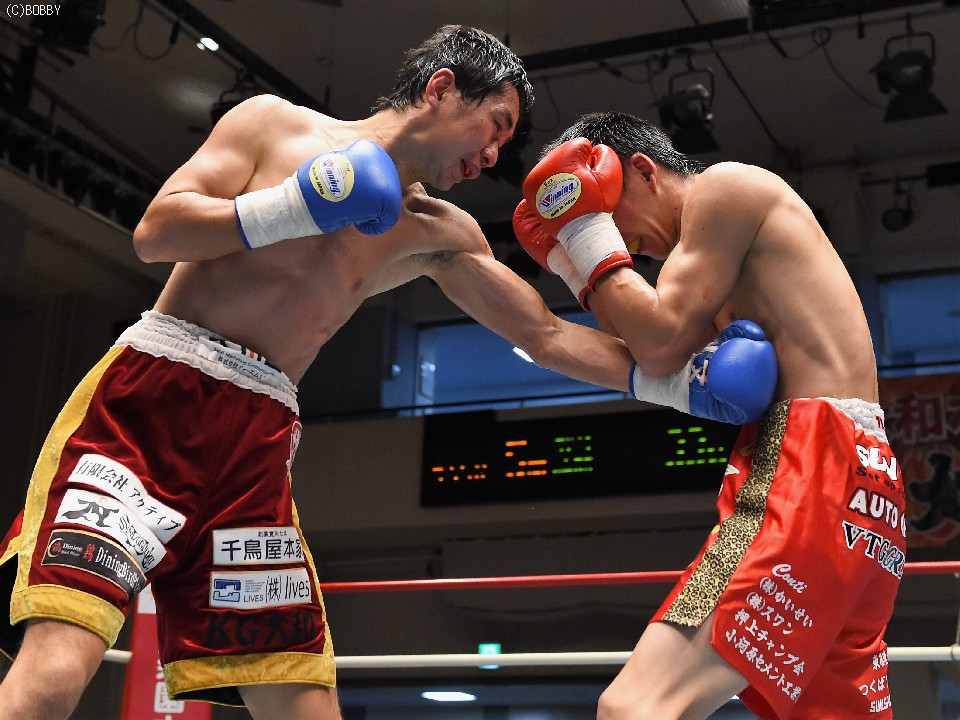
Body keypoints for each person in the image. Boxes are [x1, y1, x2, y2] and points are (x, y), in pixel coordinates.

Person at [0, 28, 777, 720]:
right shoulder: (274, 126)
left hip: (257, 447)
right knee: (57, 670)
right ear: (441, 88)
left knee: (303, 702)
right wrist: (300, 204)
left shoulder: (439, 231)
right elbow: (155, 233)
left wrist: (679, 385)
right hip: (152, 405)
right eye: (495, 124)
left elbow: (542, 336)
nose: (494, 156)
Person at [512, 111, 904, 720]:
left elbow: (659, 344)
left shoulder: (725, 187)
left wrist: (584, 234)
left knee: (635, 707)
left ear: (642, 170)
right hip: (869, 498)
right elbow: (629, 348)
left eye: (608, 216)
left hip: (812, 466)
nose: (622, 246)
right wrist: (563, 266)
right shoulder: (706, 271)